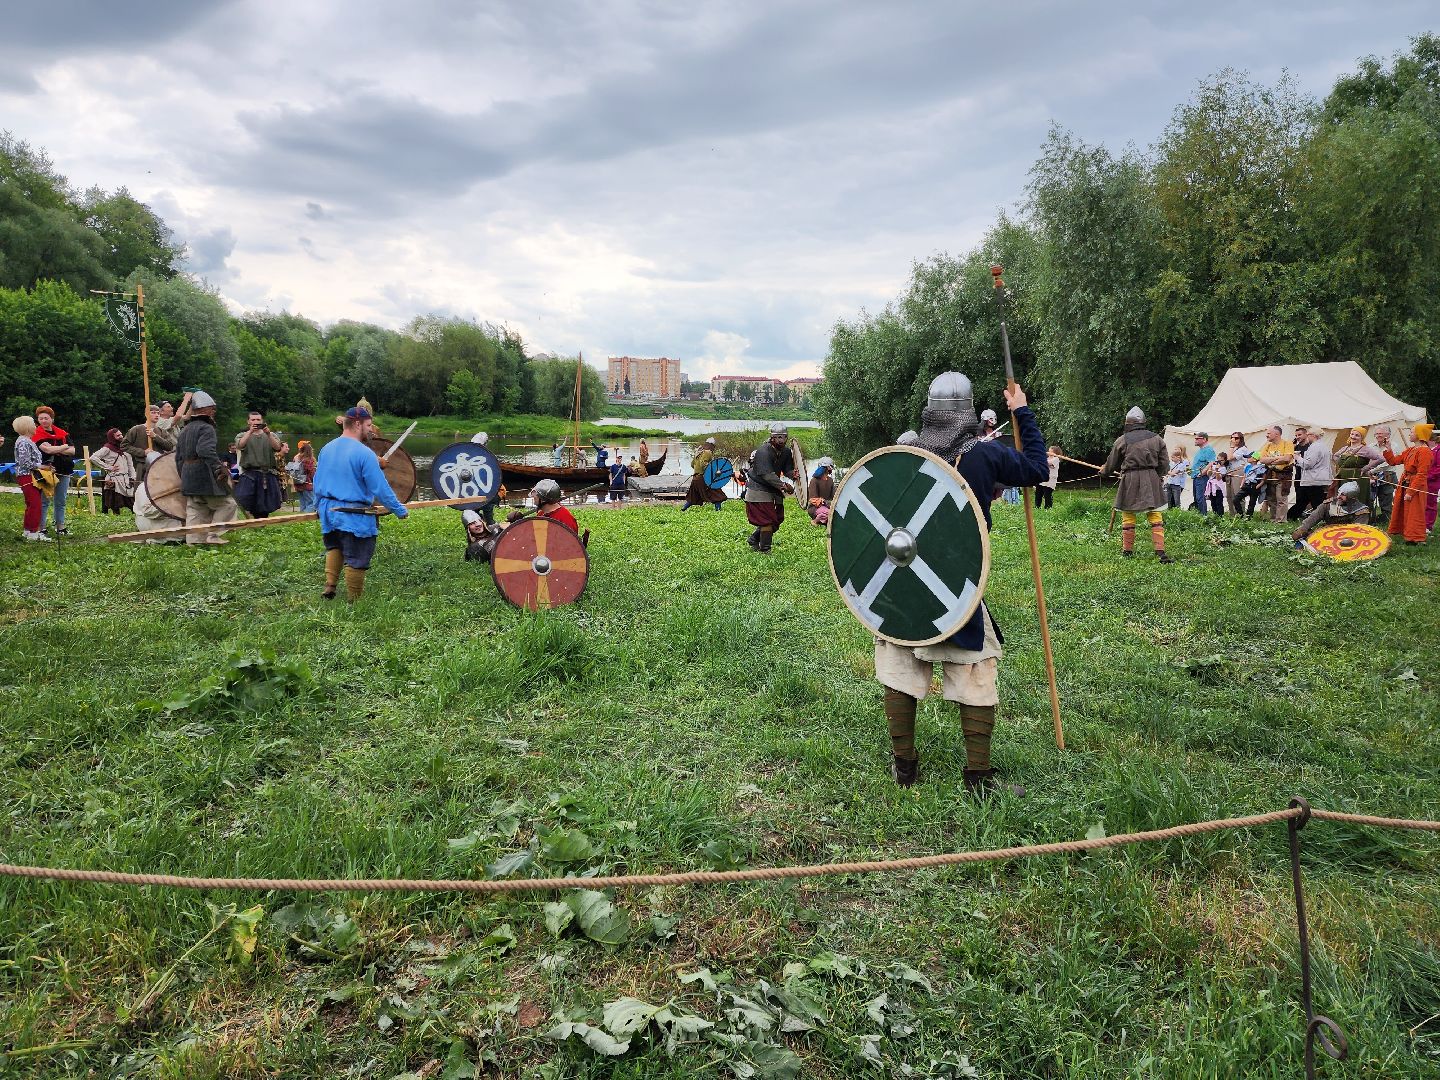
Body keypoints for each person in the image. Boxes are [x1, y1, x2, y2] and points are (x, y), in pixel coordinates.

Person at [876, 372, 1048, 793]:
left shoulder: (908, 451)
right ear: (969, 411)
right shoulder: (983, 456)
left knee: (900, 663)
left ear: (930, 409)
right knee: (974, 668)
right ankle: (977, 779)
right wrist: (1021, 411)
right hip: (955, 586)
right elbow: (1038, 468)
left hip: (905, 582)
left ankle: (905, 768)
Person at [314, 406, 409, 600]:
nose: (370, 430)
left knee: (335, 547)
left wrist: (318, 507)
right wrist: (399, 510)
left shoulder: (327, 448)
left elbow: (317, 480)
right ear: (357, 424)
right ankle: (353, 601)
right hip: (353, 514)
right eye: (367, 425)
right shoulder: (364, 454)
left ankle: (330, 586)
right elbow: (380, 488)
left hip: (328, 511)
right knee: (357, 556)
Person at [1099, 406, 1173, 563]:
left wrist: (1104, 471)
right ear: (1143, 422)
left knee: (1128, 513)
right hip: (1151, 477)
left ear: (1128, 423)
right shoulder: (1157, 439)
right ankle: (1160, 552)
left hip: (1130, 479)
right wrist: (1155, 475)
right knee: (1155, 514)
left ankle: (1127, 551)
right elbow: (1164, 464)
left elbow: (1111, 463)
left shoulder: (1122, 440)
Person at [174, 390, 238, 545]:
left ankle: (194, 541)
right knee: (228, 505)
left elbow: (178, 458)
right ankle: (213, 536)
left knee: (197, 507)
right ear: (203, 410)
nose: (214, 412)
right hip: (204, 475)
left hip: (188, 476)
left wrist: (184, 476)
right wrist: (219, 468)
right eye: (212, 408)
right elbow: (204, 450)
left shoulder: (184, 430)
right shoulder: (206, 428)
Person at [1377, 424, 1434, 545]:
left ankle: (1416, 538)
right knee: (1404, 510)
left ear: (1419, 435)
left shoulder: (1425, 452)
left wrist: (1410, 491)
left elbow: (1422, 474)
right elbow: (1394, 461)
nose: (1409, 434)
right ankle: (1407, 534)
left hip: (1416, 486)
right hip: (1406, 482)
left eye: (1412, 432)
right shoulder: (1411, 449)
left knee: (1415, 512)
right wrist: (1388, 448)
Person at [743, 423, 795, 553]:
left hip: (773, 489)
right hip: (758, 488)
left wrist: (793, 475)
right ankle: (765, 549)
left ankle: (754, 539)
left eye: (783, 437)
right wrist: (783, 485)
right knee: (767, 520)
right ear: (772, 438)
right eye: (778, 437)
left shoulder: (786, 452)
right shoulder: (763, 451)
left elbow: (787, 469)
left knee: (777, 519)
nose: (781, 440)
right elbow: (766, 474)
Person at [234, 411, 286, 519]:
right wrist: (250, 432)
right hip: (250, 473)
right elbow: (240, 445)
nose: (256, 422)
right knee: (245, 499)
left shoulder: (271, 435)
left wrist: (268, 433)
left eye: (258, 420)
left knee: (266, 503)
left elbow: (277, 448)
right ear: (248, 421)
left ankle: (262, 524)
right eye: (253, 420)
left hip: (268, 473)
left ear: (262, 421)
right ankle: (252, 521)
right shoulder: (242, 435)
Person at [33, 406, 76, 535]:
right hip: (46, 471)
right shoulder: (37, 433)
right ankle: (41, 528)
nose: (43, 421)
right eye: (40, 418)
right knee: (44, 500)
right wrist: (63, 447)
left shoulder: (63, 433)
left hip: (64, 470)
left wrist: (56, 448)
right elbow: (47, 450)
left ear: (52, 418)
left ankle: (60, 527)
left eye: (46, 418)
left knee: (61, 500)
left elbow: (73, 451)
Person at [1292, 481, 1371, 545]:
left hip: (1348, 538)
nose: (1339, 496)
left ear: (1352, 497)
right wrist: (1302, 529)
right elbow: (1313, 518)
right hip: (1328, 535)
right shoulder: (1328, 505)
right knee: (1305, 534)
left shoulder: (1361, 511)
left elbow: (1359, 532)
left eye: (1343, 495)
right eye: (1339, 493)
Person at [11, 415, 47, 540]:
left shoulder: (27, 440)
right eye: (33, 423)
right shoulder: (23, 442)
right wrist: (42, 466)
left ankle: (28, 530)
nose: (36, 426)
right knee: (35, 504)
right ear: (27, 426)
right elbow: (24, 462)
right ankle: (33, 532)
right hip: (27, 476)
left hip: (31, 475)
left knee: (32, 504)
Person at [1332, 427, 1384, 507]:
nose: (1353, 437)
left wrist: (1366, 468)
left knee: (1358, 499)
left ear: (1361, 438)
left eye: (1357, 435)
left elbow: (1380, 458)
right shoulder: (1345, 448)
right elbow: (1335, 456)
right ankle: (1343, 517)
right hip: (1344, 478)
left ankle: (1360, 517)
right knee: (1343, 497)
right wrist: (1340, 463)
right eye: (1352, 434)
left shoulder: (1365, 449)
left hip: (1358, 479)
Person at [122, 404, 176, 481]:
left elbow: (170, 446)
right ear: (146, 414)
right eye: (153, 413)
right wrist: (143, 452)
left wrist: (155, 436)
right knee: (141, 489)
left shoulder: (162, 431)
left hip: (158, 465)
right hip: (142, 465)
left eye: (158, 413)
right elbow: (124, 446)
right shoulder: (136, 429)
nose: (157, 415)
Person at [91, 427, 138, 513]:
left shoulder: (125, 448)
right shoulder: (107, 448)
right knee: (115, 502)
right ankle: (116, 519)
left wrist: (133, 477)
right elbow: (93, 458)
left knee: (132, 501)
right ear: (112, 437)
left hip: (126, 479)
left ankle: (135, 516)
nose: (121, 436)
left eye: (121, 434)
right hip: (114, 478)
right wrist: (108, 467)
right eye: (118, 435)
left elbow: (130, 465)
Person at [1257, 425, 1295, 523]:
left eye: (1269, 433)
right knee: (1271, 499)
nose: (1267, 435)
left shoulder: (1287, 444)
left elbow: (1287, 459)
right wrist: (1278, 459)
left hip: (1283, 476)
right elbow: (1261, 459)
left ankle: (1281, 521)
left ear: (1277, 434)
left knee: (1281, 498)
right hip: (1271, 475)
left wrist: (1270, 461)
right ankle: (1273, 519)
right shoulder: (1267, 445)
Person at [1293, 428, 1332, 521]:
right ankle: (1292, 516)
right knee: (1303, 501)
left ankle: (1323, 520)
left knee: (1316, 503)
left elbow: (1308, 464)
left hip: (1314, 479)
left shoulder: (1314, 447)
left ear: (1313, 435)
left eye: (1308, 434)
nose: (1307, 436)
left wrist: (1297, 457)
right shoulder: (1323, 446)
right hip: (1318, 478)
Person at [681, 437, 726, 511]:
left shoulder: (699, 453)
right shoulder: (708, 452)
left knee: (693, 496)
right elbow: (703, 464)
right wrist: (714, 471)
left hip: (695, 479)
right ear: (712, 445)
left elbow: (692, 465)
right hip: (703, 479)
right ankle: (718, 511)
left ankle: (683, 508)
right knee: (717, 493)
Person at [1189, 432, 1216, 513]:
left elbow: (1211, 463)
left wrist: (1202, 473)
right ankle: (1199, 516)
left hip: (1202, 478)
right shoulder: (1200, 450)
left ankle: (1203, 517)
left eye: (1197, 438)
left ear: (1204, 439)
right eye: (1195, 438)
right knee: (1197, 498)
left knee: (1200, 498)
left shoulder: (1209, 450)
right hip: (1196, 477)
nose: (1195, 440)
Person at [289, 441, 318, 512]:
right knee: (312, 503)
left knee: (303, 504)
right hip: (307, 484)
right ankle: (305, 518)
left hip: (298, 484)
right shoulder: (308, 460)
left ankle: (301, 520)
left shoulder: (296, 458)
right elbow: (312, 473)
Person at [1224, 442, 1251, 514]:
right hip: (1230, 471)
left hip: (1238, 471)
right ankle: (1232, 515)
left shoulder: (1242, 448)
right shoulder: (1233, 449)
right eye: (1232, 437)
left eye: (1236, 438)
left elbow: (1229, 458)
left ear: (1241, 439)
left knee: (1238, 495)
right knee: (1230, 496)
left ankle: (1240, 515)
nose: (1234, 440)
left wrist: (1231, 447)